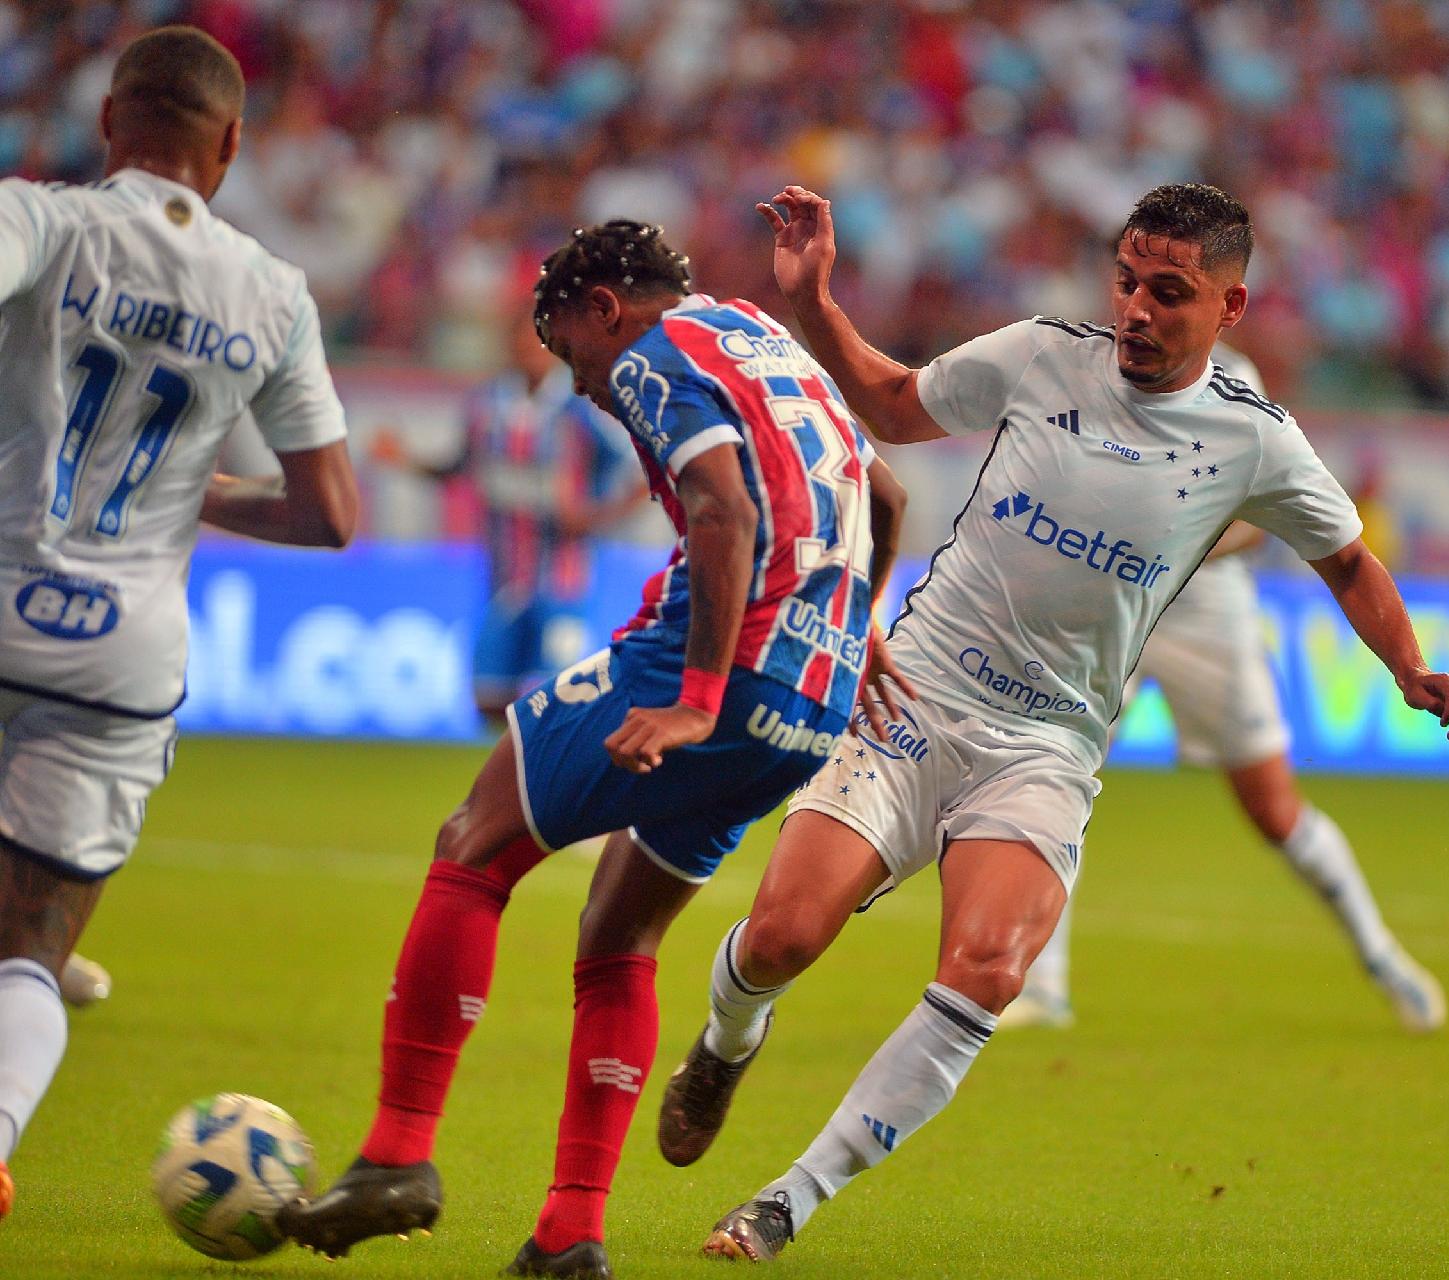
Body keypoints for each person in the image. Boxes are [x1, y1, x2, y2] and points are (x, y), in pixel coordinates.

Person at [657, 182, 1449, 1262]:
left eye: (1170, 292)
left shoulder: (1254, 439)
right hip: (913, 696)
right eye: (1128, 281)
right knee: (779, 937)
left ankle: (790, 1196)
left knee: (988, 970)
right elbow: (896, 405)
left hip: (1047, 740)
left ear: (1228, 308)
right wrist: (814, 299)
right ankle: (726, 1040)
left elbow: (1348, 559)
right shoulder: (1044, 353)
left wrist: (1412, 667)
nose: (1138, 308)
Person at [277, 219, 910, 1280]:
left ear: (602, 311)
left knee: (474, 839)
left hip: (723, 666)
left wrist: (698, 695)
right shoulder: (755, 332)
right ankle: (570, 1229)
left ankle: (396, 1155)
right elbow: (883, 496)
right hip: (812, 694)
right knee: (618, 928)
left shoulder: (657, 353)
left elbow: (723, 509)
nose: (577, 382)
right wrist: (855, 620)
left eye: (570, 351)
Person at [0, 26, 358, 1223]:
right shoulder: (272, 291)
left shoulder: (46, 223)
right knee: (34, 948)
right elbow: (330, 512)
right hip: (117, 655)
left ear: (109, 126)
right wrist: (193, 488)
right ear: (232, 146)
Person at [1003, 346, 1444, 1034]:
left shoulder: (1237, 381)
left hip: (1206, 611)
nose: (1143, 302)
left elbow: (1258, 521)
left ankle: (1381, 955)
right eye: (1131, 278)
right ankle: (1043, 986)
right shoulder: (1095, 365)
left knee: (1273, 809)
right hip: (1111, 604)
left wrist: (1176, 549)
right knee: (1055, 780)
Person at [370, 306, 646, 723]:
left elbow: (637, 470)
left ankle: (549, 782)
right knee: (488, 698)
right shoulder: (487, 405)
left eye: (539, 341)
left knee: (560, 696)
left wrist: (592, 517)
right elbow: (462, 465)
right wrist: (406, 461)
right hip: (505, 579)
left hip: (564, 581)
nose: (529, 349)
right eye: (522, 339)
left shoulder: (582, 408)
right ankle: (505, 779)